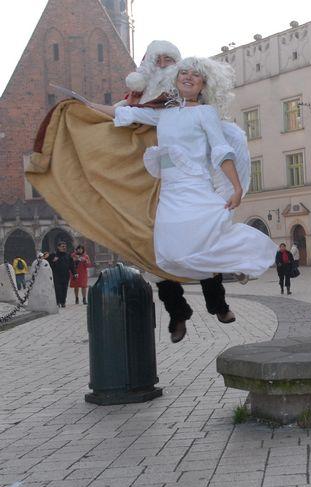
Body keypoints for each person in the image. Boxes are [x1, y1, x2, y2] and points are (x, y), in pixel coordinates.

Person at [90, 56, 277, 342]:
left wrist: (236, 187)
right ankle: (180, 313)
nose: (188, 77)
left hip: (196, 189)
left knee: (203, 242)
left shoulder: (205, 112)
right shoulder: (162, 112)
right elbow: (124, 114)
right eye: (184, 73)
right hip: (169, 192)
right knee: (167, 254)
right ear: (174, 78)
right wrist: (82, 105)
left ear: (204, 84)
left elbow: (220, 149)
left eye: (196, 75)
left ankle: (219, 302)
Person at [46, 241, 77, 307]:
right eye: (62, 246)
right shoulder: (53, 255)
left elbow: (71, 265)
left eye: (65, 246)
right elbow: (47, 265)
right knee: (58, 289)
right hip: (56, 275)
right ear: (58, 247)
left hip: (65, 275)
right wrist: (53, 261)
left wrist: (74, 273)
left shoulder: (68, 255)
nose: (64, 248)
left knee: (64, 289)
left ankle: (63, 302)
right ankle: (58, 302)